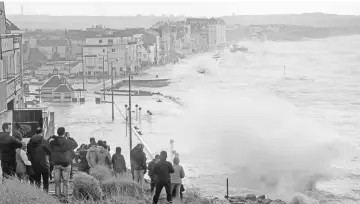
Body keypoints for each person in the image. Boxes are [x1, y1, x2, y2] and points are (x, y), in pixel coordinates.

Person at [50, 127, 78, 197]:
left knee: (57, 182)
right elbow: (76, 145)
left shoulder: (52, 142)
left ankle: (57, 196)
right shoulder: (68, 142)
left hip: (56, 164)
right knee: (65, 182)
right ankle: (65, 197)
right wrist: (69, 138)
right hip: (66, 164)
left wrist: (52, 137)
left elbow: (47, 147)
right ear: (64, 133)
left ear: (57, 132)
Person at [27, 128, 52, 193]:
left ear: (35, 133)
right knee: (45, 182)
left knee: (37, 182)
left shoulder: (29, 143)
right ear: (42, 133)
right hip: (44, 165)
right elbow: (49, 152)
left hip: (34, 165)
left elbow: (29, 153)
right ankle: (45, 197)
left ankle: (38, 197)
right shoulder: (45, 141)